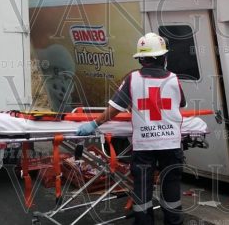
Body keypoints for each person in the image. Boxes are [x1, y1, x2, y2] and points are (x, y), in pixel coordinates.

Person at [76, 32, 186, 225]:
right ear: (163, 57)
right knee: (171, 187)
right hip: (171, 143)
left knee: (142, 191)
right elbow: (180, 103)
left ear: (141, 59)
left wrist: (94, 124)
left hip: (145, 145)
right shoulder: (174, 79)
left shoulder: (133, 79)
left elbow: (114, 109)